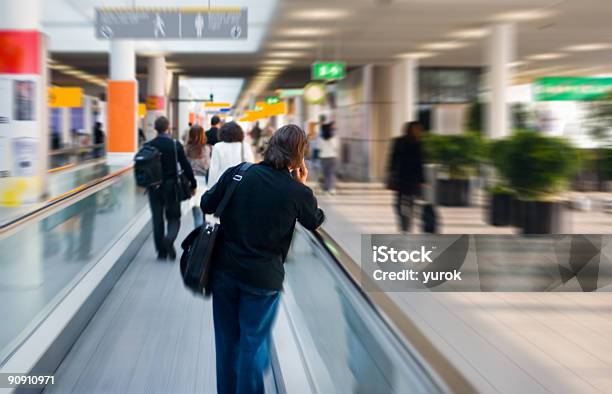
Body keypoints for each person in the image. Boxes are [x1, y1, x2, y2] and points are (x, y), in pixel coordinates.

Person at [200, 124, 325, 394]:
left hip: (224, 272)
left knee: (226, 342)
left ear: (270, 146)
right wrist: (302, 186)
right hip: (262, 279)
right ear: (299, 157)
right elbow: (314, 220)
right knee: (253, 345)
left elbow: (207, 203)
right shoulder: (296, 192)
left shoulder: (239, 174)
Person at [147, 116, 196, 260]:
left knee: (157, 218)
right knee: (174, 217)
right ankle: (169, 239)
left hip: (154, 187)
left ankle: (161, 252)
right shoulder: (175, 145)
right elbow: (186, 165)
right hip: (172, 186)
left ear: (155, 128)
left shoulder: (149, 145)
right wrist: (192, 183)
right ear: (168, 127)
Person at [386, 121, 425, 233]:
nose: (418, 131)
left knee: (410, 202)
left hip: (412, 178)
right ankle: (405, 222)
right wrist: (391, 173)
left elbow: (420, 162)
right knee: (398, 203)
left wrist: (423, 179)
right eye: (417, 129)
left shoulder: (418, 143)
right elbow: (392, 159)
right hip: (401, 177)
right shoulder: (399, 142)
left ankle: (407, 223)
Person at [207, 121, 255, 189]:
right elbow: (251, 166)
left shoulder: (218, 146)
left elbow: (213, 170)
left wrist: (210, 189)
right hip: (240, 184)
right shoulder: (245, 146)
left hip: (222, 184)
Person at [185, 124, 211, 227]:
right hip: (202, 182)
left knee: (196, 213)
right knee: (200, 213)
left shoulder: (185, 149)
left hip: (189, 183)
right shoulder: (207, 149)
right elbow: (207, 166)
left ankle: (197, 238)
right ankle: (199, 240)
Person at [317, 120, 340, 194]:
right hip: (332, 157)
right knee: (331, 173)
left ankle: (325, 188)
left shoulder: (320, 138)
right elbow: (336, 146)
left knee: (324, 173)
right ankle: (331, 189)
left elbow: (319, 147)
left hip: (323, 157)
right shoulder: (334, 137)